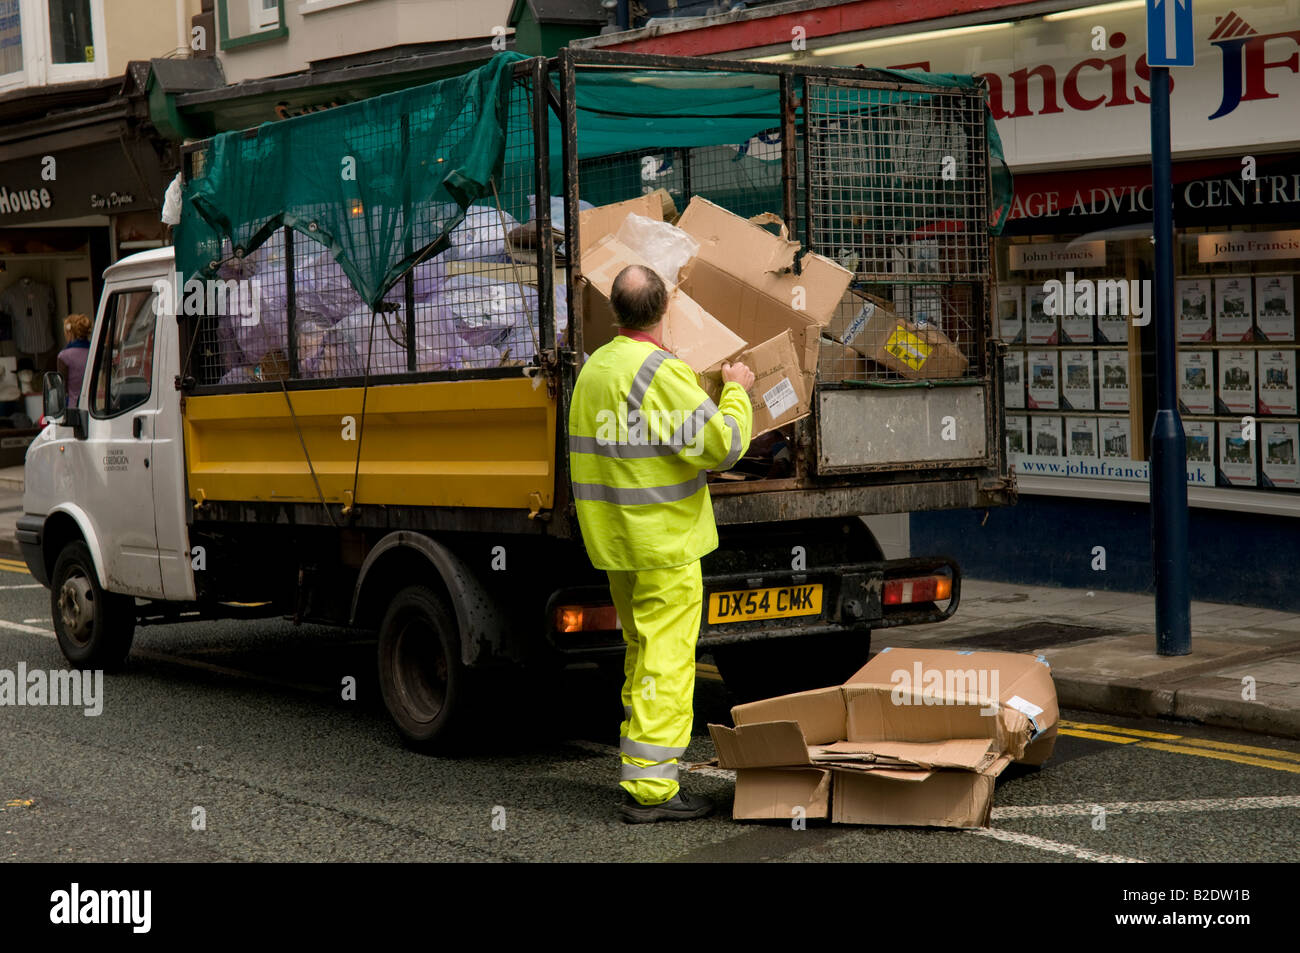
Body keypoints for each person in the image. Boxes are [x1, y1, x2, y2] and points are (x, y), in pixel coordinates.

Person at [568, 264, 755, 823]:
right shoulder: (660, 372)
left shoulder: (593, 370)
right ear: (667, 305)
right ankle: (652, 791)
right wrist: (736, 392)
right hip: (665, 545)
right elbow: (722, 448)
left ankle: (639, 767)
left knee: (642, 655)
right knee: (667, 664)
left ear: (613, 310)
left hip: (617, 543)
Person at [56, 313, 92, 409]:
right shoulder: (95, 353)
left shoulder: (64, 356)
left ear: (69, 333)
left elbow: (62, 389)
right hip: (97, 407)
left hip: (75, 408)